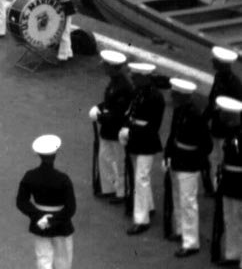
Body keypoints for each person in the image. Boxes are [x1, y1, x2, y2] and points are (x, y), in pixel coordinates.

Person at [164, 77, 211, 258]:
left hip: (189, 164)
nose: (172, 97)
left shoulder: (195, 115)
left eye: (174, 94)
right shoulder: (179, 111)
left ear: (183, 96)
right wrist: (168, 155)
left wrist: (195, 159)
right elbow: (173, 135)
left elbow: (206, 145)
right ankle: (181, 230)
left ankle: (191, 242)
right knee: (178, 198)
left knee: (188, 202)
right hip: (177, 159)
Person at [16, 134, 76, 269]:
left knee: (43, 259)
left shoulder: (30, 176)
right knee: (63, 260)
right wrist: (53, 220)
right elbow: (71, 208)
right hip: (61, 224)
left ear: (39, 155)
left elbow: (21, 202)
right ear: (55, 155)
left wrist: (39, 216)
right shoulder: (63, 179)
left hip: (40, 223)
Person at [122, 62, 165, 236]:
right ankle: (148, 206)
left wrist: (131, 131)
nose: (132, 78)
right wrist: (126, 128)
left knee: (141, 178)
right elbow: (130, 113)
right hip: (135, 138)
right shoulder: (138, 91)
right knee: (139, 176)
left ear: (144, 77)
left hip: (146, 140)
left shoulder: (155, 97)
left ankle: (141, 220)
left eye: (135, 76)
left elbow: (153, 126)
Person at [89, 50, 133, 204]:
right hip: (108, 129)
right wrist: (99, 107)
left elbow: (118, 113)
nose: (103, 67)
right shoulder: (114, 82)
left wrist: (100, 117)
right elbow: (109, 103)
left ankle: (122, 192)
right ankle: (109, 188)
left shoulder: (124, 86)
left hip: (116, 129)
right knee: (105, 157)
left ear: (113, 67)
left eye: (105, 65)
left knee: (119, 161)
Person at [205, 46, 242, 184]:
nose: (213, 63)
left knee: (223, 158)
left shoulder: (235, 84)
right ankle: (216, 186)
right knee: (214, 158)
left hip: (227, 129)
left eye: (215, 61)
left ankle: (221, 185)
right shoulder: (219, 77)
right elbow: (212, 100)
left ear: (222, 64)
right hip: (217, 125)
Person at [213, 96, 242, 265]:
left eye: (224, 114)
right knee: (229, 218)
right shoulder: (231, 133)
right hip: (229, 181)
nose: (221, 116)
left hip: (239, 182)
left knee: (239, 219)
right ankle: (232, 254)